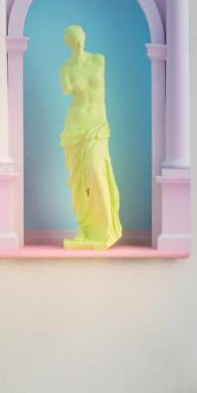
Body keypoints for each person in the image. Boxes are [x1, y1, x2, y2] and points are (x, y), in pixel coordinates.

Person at [58, 25, 122, 249]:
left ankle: (106, 229)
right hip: (75, 127)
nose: (78, 41)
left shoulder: (98, 60)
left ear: (84, 37)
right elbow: (67, 91)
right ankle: (85, 227)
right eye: (73, 38)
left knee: (96, 171)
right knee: (80, 181)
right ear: (68, 42)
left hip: (97, 127)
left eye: (80, 37)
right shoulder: (65, 69)